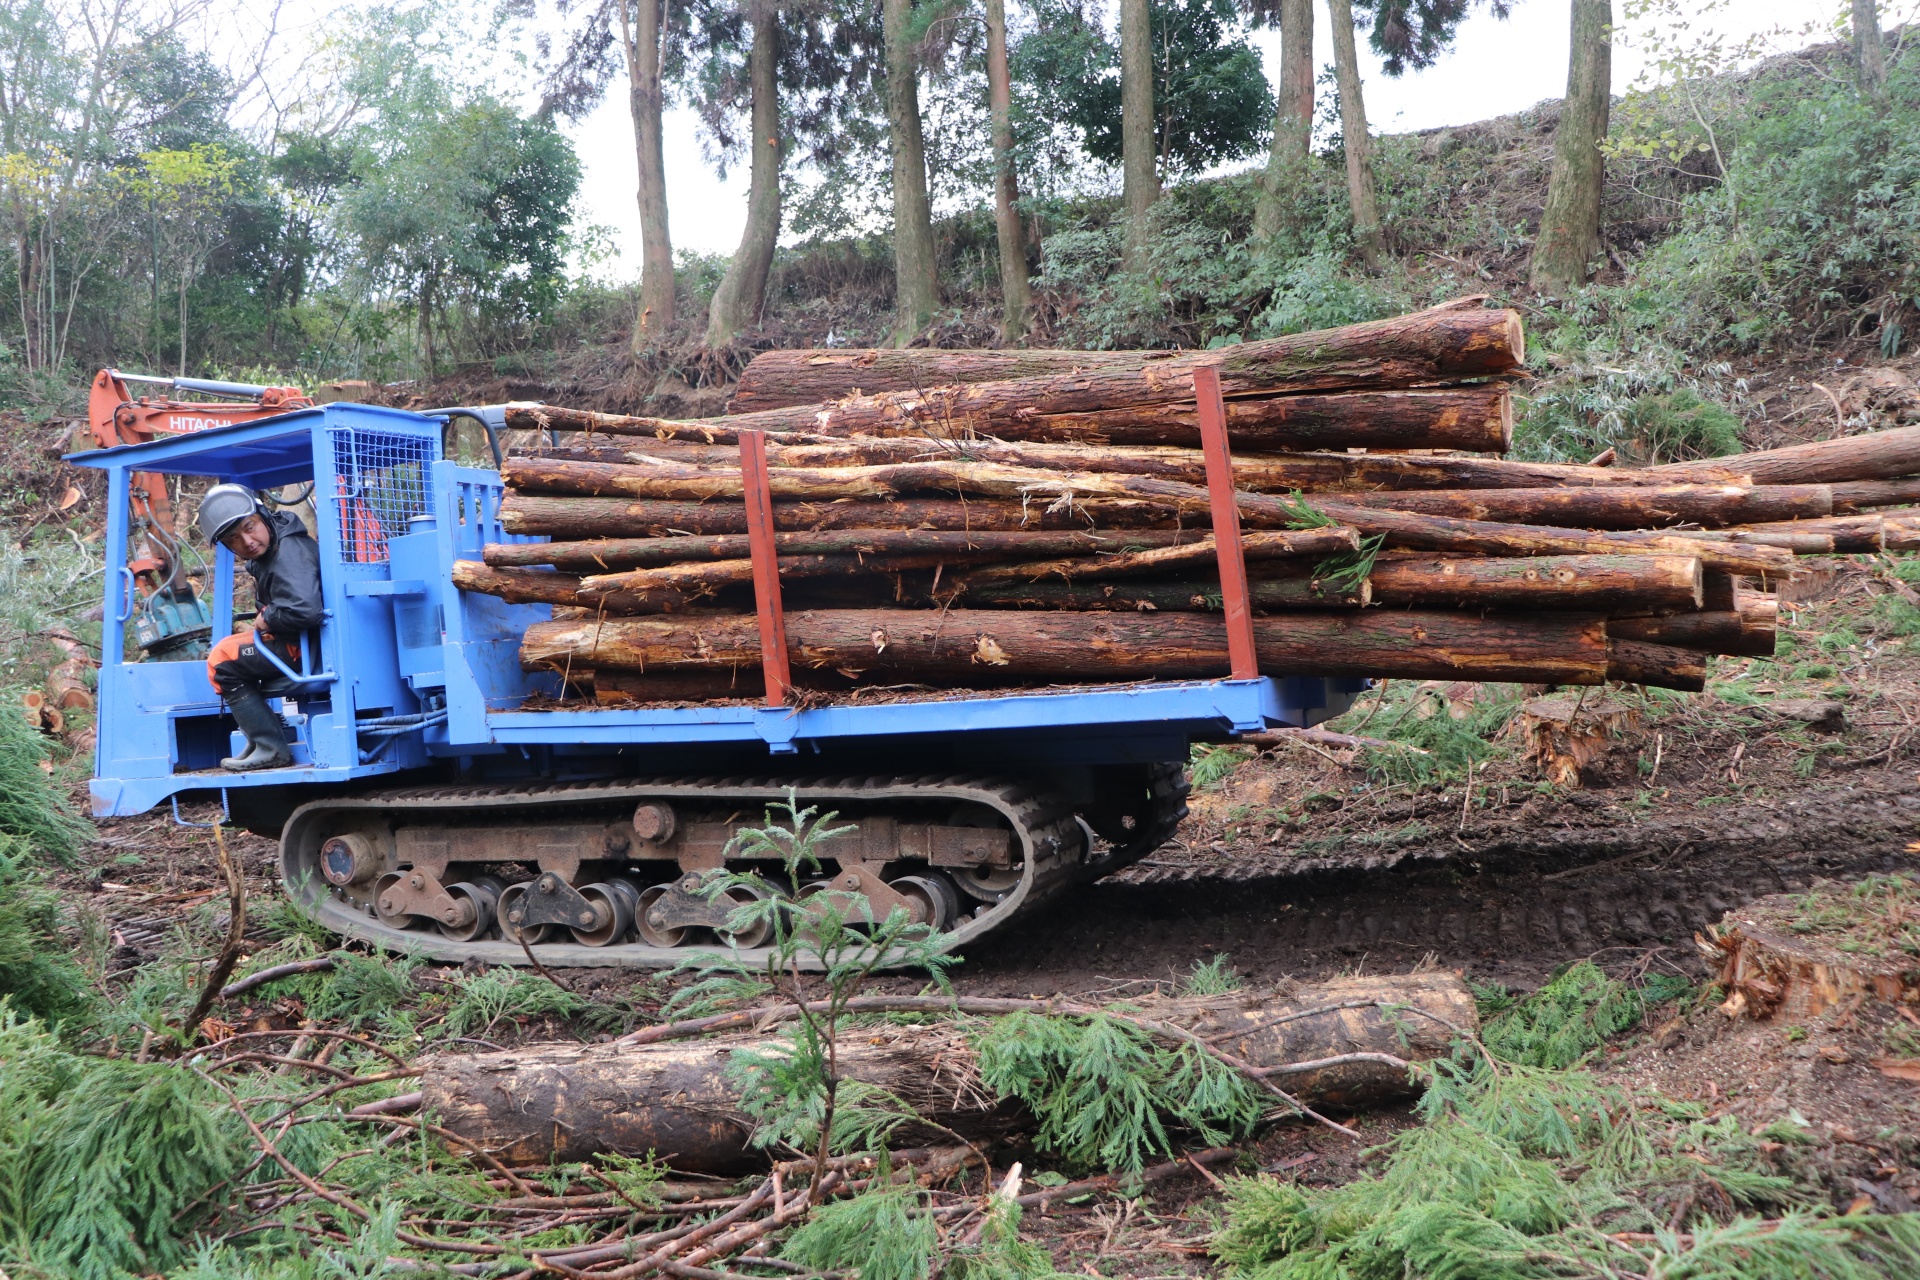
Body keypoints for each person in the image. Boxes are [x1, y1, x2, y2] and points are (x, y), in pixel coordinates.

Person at [197, 484, 323, 771]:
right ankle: (259, 740)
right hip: (298, 639)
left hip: (303, 646)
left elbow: (304, 609)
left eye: (249, 527)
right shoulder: (277, 544)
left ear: (263, 514)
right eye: (234, 539)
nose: (247, 541)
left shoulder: (288, 552)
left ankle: (270, 747)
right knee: (227, 651)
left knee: (222, 662)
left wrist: (268, 617)